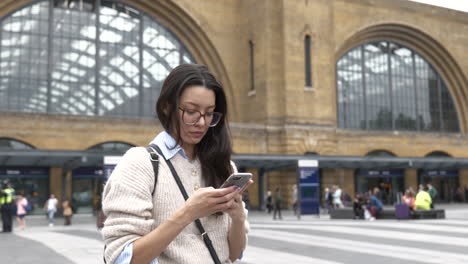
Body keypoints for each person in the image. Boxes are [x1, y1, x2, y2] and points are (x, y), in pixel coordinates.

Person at [102, 64, 252, 264]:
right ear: (166, 107)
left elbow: (233, 255)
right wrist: (188, 213)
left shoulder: (223, 166)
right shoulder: (140, 164)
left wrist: (238, 218)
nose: (201, 123)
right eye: (191, 111)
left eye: (209, 114)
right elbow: (122, 258)